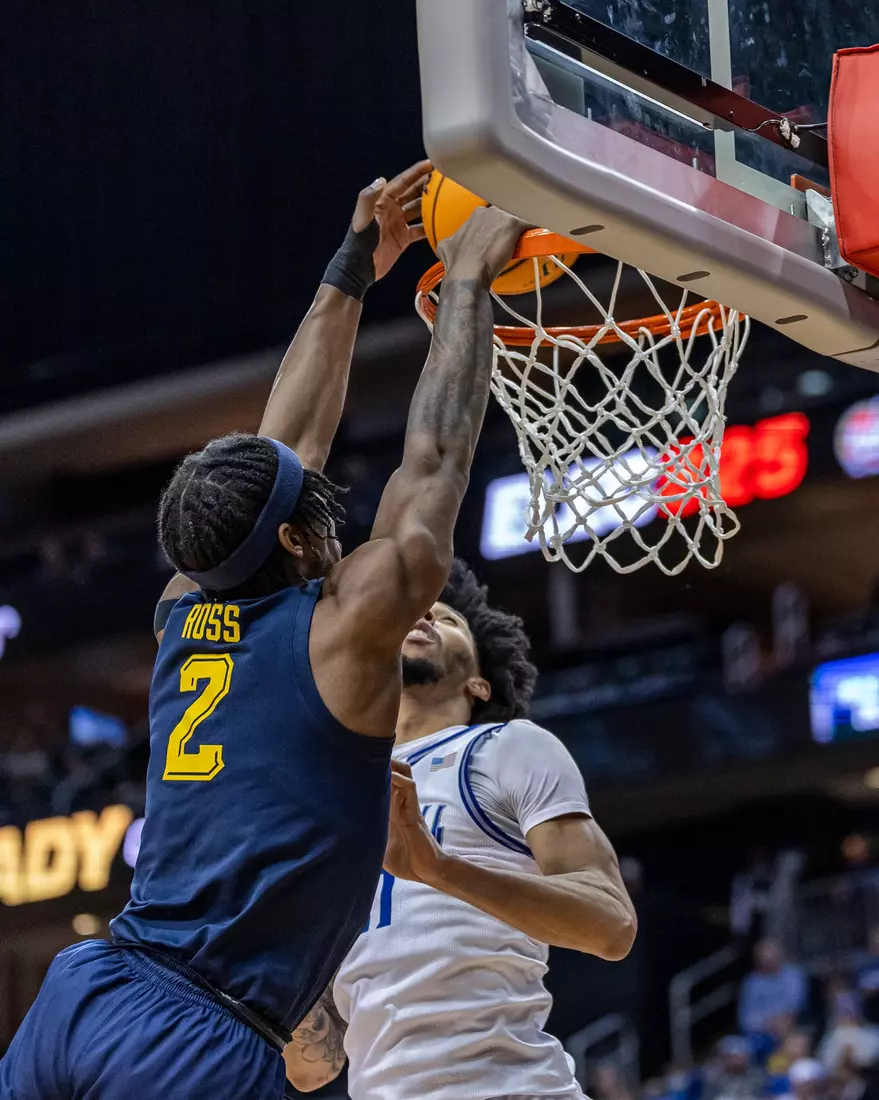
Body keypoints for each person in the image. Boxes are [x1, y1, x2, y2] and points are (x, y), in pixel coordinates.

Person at [0, 165, 527, 1100]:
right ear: (291, 538)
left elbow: (290, 450)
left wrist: (355, 262)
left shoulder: (179, 612)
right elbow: (434, 460)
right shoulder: (345, 631)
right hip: (196, 1031)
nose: (323, 503)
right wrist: (469, 284)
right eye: (310, 510)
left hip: (82, 996)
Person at [283, 559, 637, 1099]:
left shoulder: (506, 745)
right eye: (411, 613)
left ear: (478, 681)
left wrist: (439, 869)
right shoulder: (333, 801)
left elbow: (611, 925)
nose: (422, 615)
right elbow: (312, 1067)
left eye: (445, 618)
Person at [738, 939, 809, 1040]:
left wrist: (782, 1019)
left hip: (791, 1024)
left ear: (779, 954)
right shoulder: (751, 983)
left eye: (772, 955)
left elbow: (797, 1003)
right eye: (764, 957)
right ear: (757, 960)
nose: (769, 960)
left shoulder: (794, 975)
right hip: (762, 1032)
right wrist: (768, 1023)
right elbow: (745, 1019)